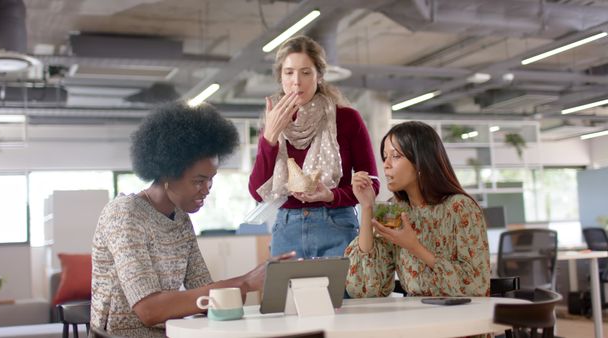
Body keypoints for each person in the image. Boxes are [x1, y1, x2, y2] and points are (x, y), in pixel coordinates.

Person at [90, 102, 295, 338]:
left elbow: (203, 290)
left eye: (211, 179)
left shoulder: (181, 220)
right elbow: (149, 310)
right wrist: (245, 283)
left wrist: (250, 283)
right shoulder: (125, 214)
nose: (207, 189)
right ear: (168, 171)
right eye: (198, 181)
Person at [248, 35, 379, 259]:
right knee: (287, 295)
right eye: (289, 72)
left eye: (305, 72)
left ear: (319, 76)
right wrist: (269, 137)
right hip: (286, 228)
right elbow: (257, 192)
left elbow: (372, 185)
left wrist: (330, 195)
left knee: (341, 295)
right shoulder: (273, 122)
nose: (296, 81)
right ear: (280, 77)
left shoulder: (347, 119)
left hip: (337, 224)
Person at [346, 121, 490, 298]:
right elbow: (366, 289)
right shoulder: (395, 210)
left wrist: (414, 246)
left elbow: (475, 286)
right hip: (416, 315)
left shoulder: (460, 208)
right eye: (385, 156)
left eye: (396, 156)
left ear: (421, 161)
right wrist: (367, 207)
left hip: (461, 317)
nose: (386, 164)